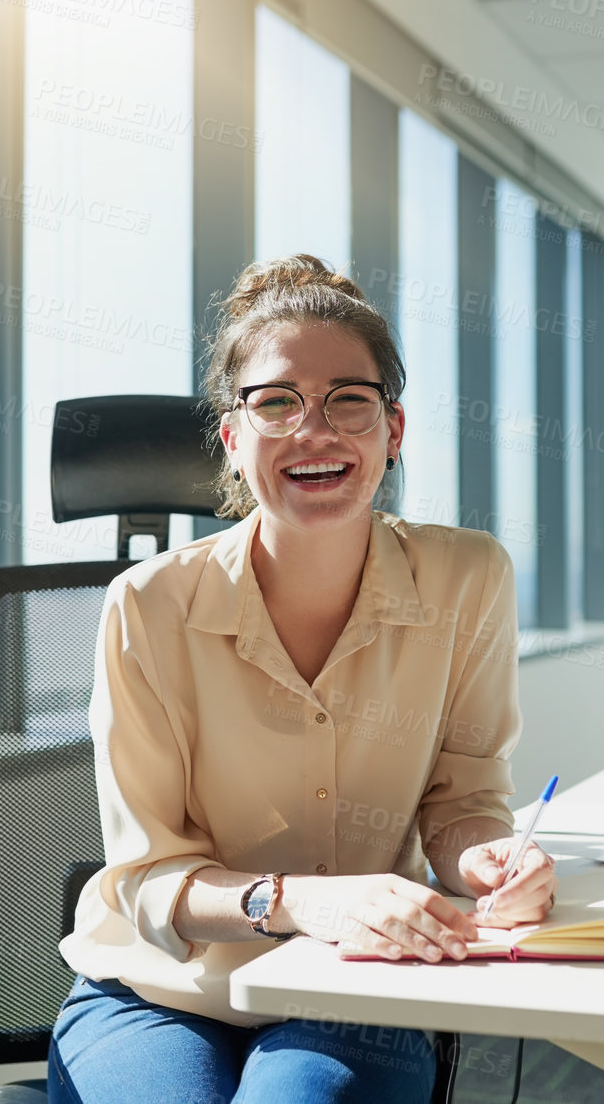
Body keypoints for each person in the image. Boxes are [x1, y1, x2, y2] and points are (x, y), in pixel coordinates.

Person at [50, 254, 557, 1104]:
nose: (313, 431)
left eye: (347, 401)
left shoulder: (468, 577)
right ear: (233, 437)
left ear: (394, 430)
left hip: (353, 977)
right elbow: (145, 877)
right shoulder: (147, 604)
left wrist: (488, 859)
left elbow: (460, 798)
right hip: (156, 987)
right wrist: (300, 900)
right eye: (276, 402)